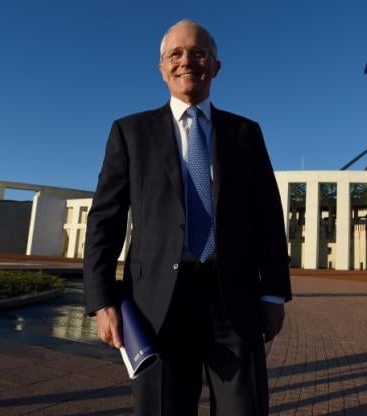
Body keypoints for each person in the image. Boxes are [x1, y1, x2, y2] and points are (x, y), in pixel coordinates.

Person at [82, 19, 292, 416]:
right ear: (161, 67)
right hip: (155, 307)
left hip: (235, 303)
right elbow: (105, 220)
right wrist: (101, 300)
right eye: (175, 54)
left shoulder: (246, 134)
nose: (186, 61)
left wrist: (273, 292)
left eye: (198, 53)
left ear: (215, 66)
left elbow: (267, 217)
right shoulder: (129, 133)